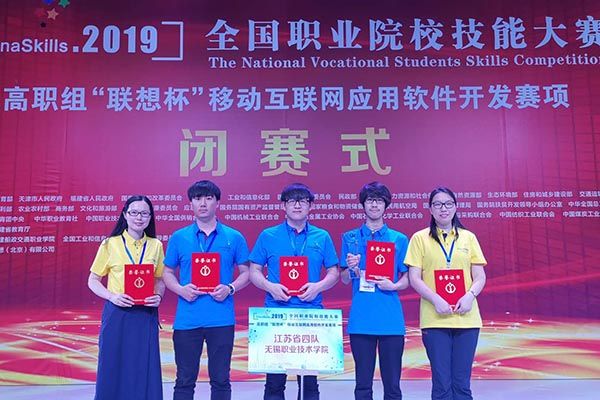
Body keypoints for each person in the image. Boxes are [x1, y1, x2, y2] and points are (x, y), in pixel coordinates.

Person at [249, 183, 339, 400]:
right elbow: (254, 270)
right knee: (274, 383)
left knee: (309, 384)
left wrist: (318, 286)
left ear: (310, 206)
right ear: (284, 206)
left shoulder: (322, 236)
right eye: (292, 201)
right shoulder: (268, 235)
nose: (297, 205)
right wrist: (270, 287)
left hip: (311, 315)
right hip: (276, 315)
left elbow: (334, 272)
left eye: (303, 201)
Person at [163, 180, 250, 400]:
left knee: (221, 380)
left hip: (221, 319)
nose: (203, 203)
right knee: (184, 380)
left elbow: (247, 272)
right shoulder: (179, 237)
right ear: (190, 203)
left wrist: (230, 288)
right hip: (187, 319)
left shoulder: (234, 237)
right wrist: (181, 290)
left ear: (217, 203)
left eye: (208, 198)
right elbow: (167, 272)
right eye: (197, 198)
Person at [404, 187, 487, 400]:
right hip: (435, 319)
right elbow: (414, 278)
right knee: (442, 384)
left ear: (456, 207)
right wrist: (436, 299)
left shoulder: (468, 237)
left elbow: (479, 276)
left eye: (448, 203)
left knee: (462, 383)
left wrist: (469, 296)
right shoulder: (419, 238)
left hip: (466, 318)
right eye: (438, 204)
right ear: (430, 209)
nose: (444, 209)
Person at [88, 195, 165, 400]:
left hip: (145, 314)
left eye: (144, 213)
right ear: (125, 214)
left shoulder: (156, 245)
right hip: (117, 313)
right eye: (134, 212)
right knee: (113, 363)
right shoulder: (109, 244)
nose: (139, 217)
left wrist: (158, 295)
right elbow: (93, 280)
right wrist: (112, 296)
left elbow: (159, 279)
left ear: (150, 217)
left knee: (143, 365)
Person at [340, 182, 409, 400]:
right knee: (362, 385)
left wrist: (394, 286)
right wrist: (351, 268)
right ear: (363, 204)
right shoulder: (350, 238)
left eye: (379, 201)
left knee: (392, 386)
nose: (374, 205)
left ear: (386, 205)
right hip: (361, 319)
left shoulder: (399, 239)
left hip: (390, 319)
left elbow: (408, 277)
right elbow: (343, 279)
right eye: (370, 200)